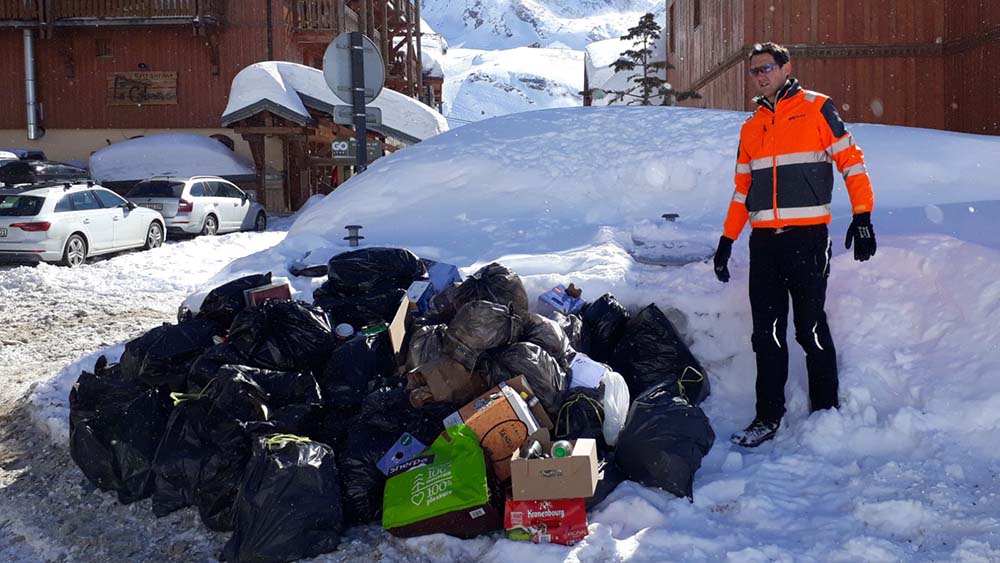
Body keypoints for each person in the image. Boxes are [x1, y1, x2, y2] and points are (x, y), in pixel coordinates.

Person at [714, 42, 876, 448]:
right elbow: (741, 191)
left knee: (809, 326)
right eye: (755, 72)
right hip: (764, 244)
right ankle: (767, 416)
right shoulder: (751, 127)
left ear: (786, 67)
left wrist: (863, 216)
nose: (761, 76)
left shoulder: (819, 108)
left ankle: (825, 412)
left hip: (807, 240)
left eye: (767, 68)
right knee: (765, 333)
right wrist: (727, 239)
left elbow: (851, 162)